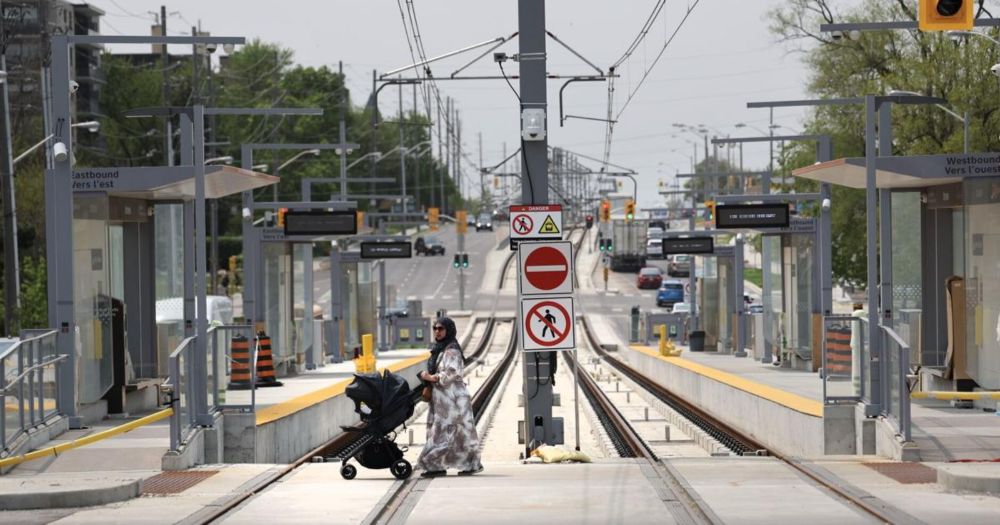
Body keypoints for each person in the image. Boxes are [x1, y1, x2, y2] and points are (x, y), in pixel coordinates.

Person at [415, 317, 483, 477]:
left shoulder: (452, 350)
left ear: (449, 330)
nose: (437, 332)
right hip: (443, 399)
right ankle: (443, 465)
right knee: (452, 432)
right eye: (435, 329)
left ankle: (440, 464)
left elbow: (452, 372)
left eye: (441, 329)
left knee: (449, 432)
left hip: (453, 399)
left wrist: (431, 377)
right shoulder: (440, 348)